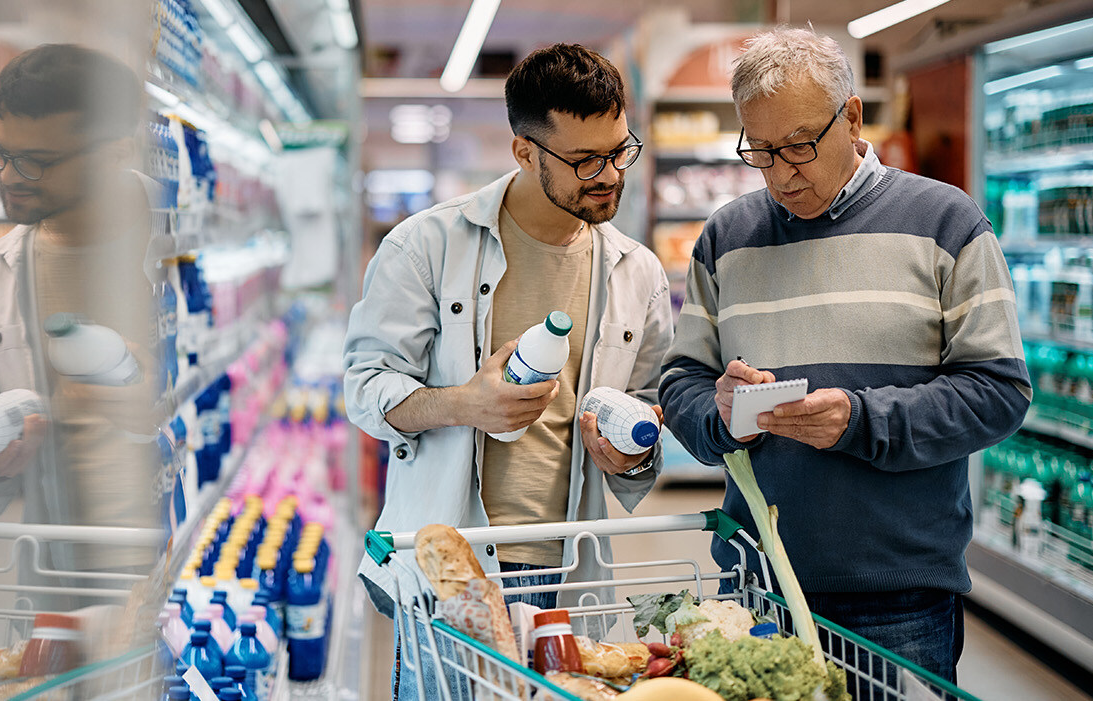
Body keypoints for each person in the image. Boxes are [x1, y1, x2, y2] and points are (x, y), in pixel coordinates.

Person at [659, 27, 1030, 682]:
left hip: (899, 596)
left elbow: (999, 391)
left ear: (852, 116)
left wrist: (859, 420)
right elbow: (681, 380)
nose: (781, 174)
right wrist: (721, 416)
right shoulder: (726, 236)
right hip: (757, 586)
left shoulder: (947, 223)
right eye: (761, 151)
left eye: (799, 146)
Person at [344, 43, 673, 695]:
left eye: (618, 151)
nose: (608, 174)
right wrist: (465, 403)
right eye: (584, 160)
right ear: (524, 151)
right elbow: (365, 389)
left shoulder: (638, 272)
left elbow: (647, 411)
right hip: (451, 571)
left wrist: (630, 454)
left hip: (568, 570)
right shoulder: (425, 247)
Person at [0, 44, 160, 575]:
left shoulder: (188, 244)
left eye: (36, 163)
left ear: (117, 152)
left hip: (186, 566)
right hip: (57, 571)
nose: (7, 176)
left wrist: (168, 409)